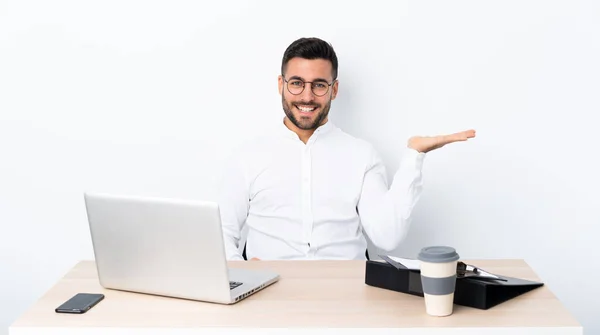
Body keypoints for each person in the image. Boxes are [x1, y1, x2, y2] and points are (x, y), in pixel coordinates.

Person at [218, 37, 475, 261]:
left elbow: (387, 237)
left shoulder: (361, 155)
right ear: (280, 85)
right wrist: (241, 272)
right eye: (297, 83)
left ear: (334, 90)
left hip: (347, 291)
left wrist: (414, 157)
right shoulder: (247, 157)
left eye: (319, 85)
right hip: (268, 292)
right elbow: (221, 233)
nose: (307, 96)